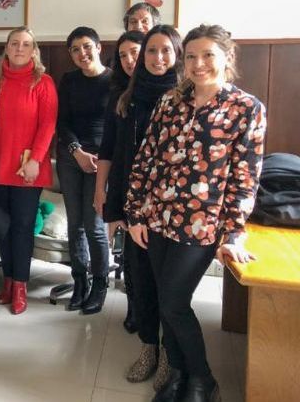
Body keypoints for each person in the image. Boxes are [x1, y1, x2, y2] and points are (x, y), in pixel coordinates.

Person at [125, 24, 266, 402]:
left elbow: (246, 175)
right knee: (163, 296)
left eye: (207, 55)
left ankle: (203, 380)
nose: (198, 64)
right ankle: (178, 376)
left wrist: (234, 231)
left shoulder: (246, 108)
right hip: (156, 218)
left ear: (226, 57)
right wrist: (135, 213)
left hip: (202, 224)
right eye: (190, 56)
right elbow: (146, 159)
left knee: (173, 301)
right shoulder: (169, 102)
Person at [105, 25, 183, 388]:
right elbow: (119, 157)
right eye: (151, 51)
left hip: (174, 211)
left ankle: (170, 353)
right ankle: (149, 346)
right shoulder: (127, 99)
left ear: (178, 55)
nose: (157, 59)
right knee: (140, 282)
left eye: (166, 51)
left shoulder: (188, 99)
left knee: (170, 288)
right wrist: (115, 209)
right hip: (136, 208)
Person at [0, 27, 57, 315]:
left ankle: (20, 286)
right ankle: (8, 279)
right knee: (2, 228)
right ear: (6, 48)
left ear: (33, 50)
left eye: (25, 44)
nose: (19, 48)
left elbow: (48, 125)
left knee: (22, 228)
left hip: (27, 168)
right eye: (14, 43)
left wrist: (35, 160)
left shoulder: (43, 82)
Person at [56, 27, 112, 315]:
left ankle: (100, 283)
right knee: (74, 224)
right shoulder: (69, 80)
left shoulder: (115, 80)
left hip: (102, 161)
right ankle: (80, 280)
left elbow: (117, 126)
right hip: (71, 156)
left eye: (87, 46)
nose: (82, 53)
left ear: (99, 47)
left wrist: (99, 158)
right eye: (75, 49)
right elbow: (61, 122)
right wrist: (76, 151)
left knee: (95, 226)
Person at [94, 30, 145, 331]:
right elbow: (108, 147)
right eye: (123, 55)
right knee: (131, 256)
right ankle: (135, 309)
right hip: (125, 184)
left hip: (159, 192)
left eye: (135, 52)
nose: (129, 60)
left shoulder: (172, 91)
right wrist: (101, 189)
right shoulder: (118, 94)